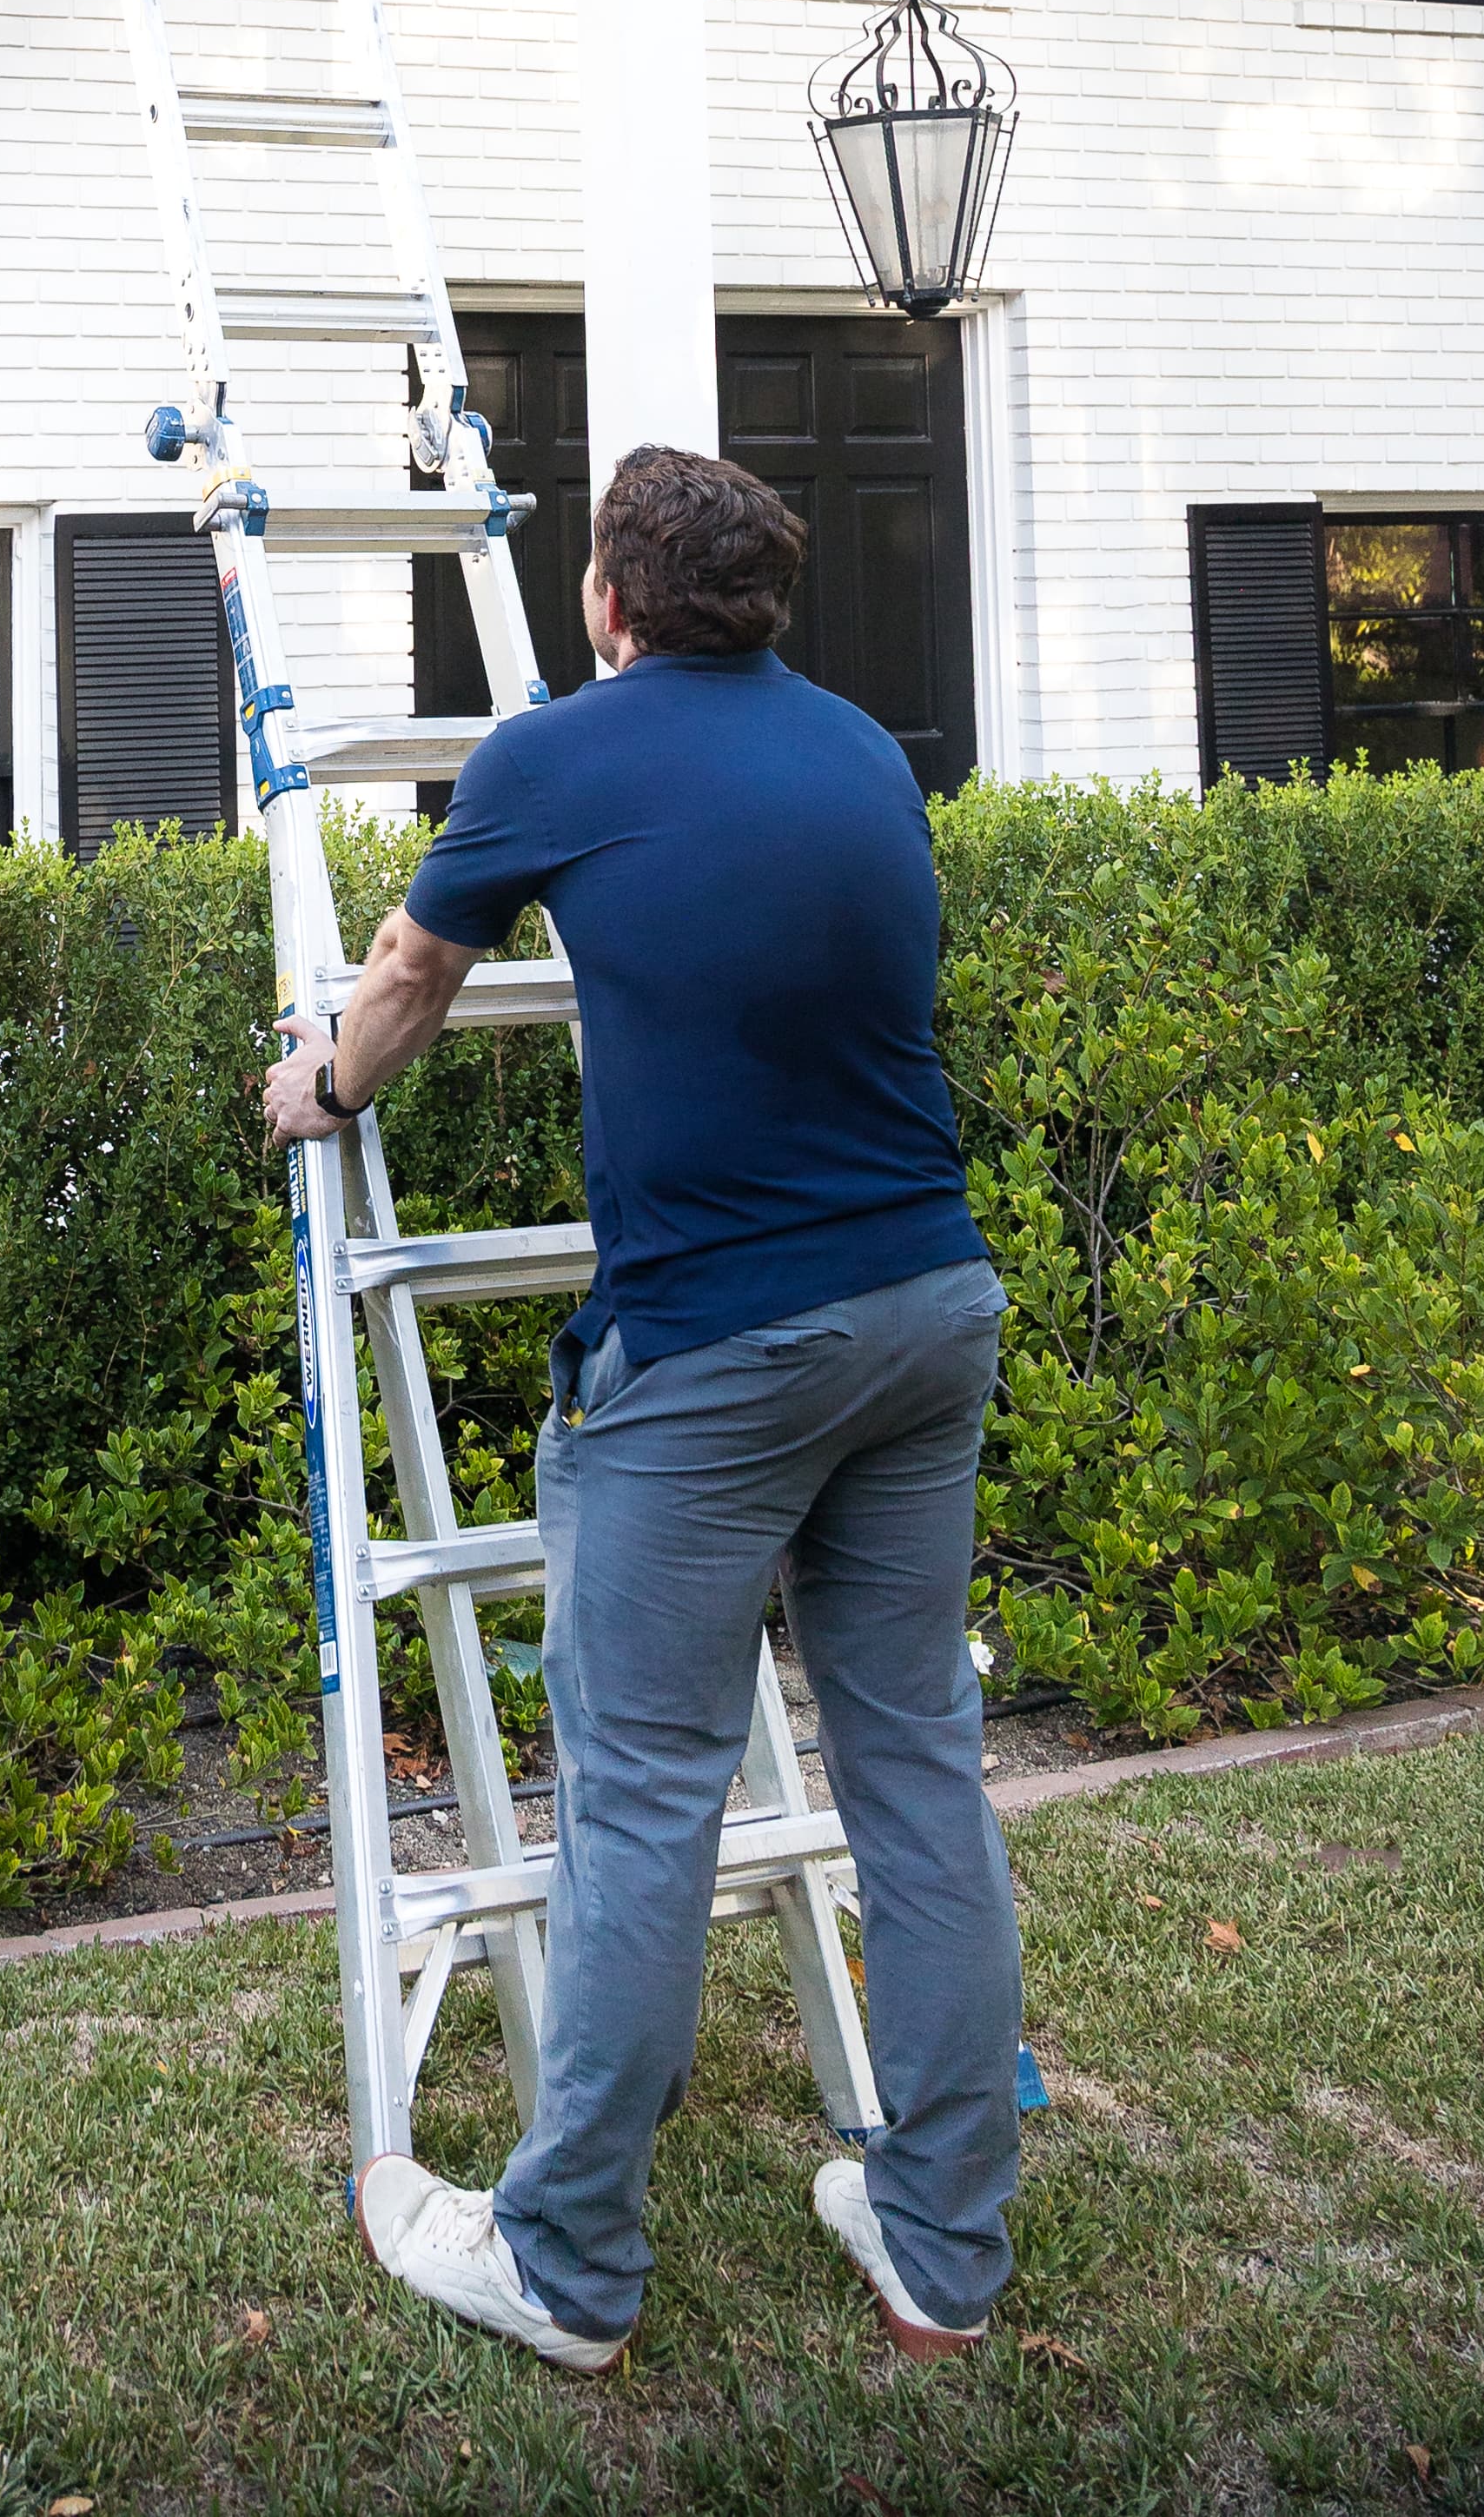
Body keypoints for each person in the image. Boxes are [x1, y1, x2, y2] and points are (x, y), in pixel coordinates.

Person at [261, 442, 1021, 2373]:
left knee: (642, 1796)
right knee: (914, 1769)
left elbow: (410, 971)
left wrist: (321, 1088)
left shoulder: (551, 758)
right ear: (761, 599)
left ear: (605, 599)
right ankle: (941, 2241)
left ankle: (564, 2265)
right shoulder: (862, 753)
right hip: (926, 1307)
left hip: (715, 1353)